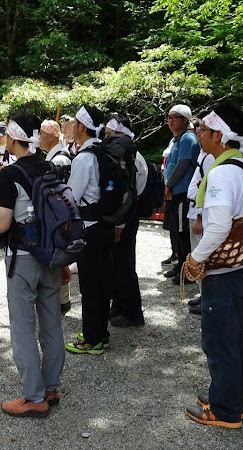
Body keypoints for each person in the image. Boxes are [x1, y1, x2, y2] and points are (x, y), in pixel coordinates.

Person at [182, 102, 243, 429]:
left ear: (219, 134)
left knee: (220, 342)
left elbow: (216, 228)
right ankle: (229, 397)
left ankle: (226, 410)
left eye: (203, 129)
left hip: (225, 273)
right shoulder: (240, 164)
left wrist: (194, 258)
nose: (199, 134)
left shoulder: (220, 172)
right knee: (235, 340)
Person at [0, 111, 64, 418]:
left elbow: (1, 224)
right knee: (51, 323)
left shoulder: (9, 175)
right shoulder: (52, 167)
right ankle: (51, 386)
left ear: (12, 139)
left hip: (24, 259)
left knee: (23, 328)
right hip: (52, 257)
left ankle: (34, 397)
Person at [64, 104, 115, 354]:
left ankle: (92, 339)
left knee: (90, 286)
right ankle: (101, 333)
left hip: (90, 229)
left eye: (74, 122)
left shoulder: (84, 158)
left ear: (82, 126)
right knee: (102, 282)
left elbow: (71, 197)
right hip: (104, 225)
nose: (71, 126)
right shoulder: (100, 152)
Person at [104, 114, 148, 327]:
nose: (106, 138)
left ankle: (133, 312)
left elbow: (128, 195)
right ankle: (119, 305)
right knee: (115, 264)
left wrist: (119, 224)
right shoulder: (125, 155)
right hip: (121, 215)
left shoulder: (132, 158)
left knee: (125, 264)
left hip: (126, 216)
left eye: (110, 134)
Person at [38, 119, 74, 314]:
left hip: (58, 217)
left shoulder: (59, 160)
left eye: (42, 133)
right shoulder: (54, 157)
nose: (39, 138)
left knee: (58, 259)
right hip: (55, 217)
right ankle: (59, 298)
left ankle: (61, 299)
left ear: (51, 136)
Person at [162, 105, 201, 281]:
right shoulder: (176, 139)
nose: (171, 121)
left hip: (183, 192)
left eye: (175, 117)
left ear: (185, 119)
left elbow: (182, 166)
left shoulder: (188, 139)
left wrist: (169, 186)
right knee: (176, 232)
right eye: (169, 117)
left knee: (183, 233)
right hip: (174, 192)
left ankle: (187, 272)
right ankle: (180, 267)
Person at [184, 117, 215, 315]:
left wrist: (200, 216)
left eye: (202, 130)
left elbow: (208, 189)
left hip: (199, 212)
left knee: (202, 256)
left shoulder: (211, 157)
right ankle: (205, 295)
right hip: (194, 208)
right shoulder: (205, 154)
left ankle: (208, 299)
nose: (198, 133)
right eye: (198, 129)